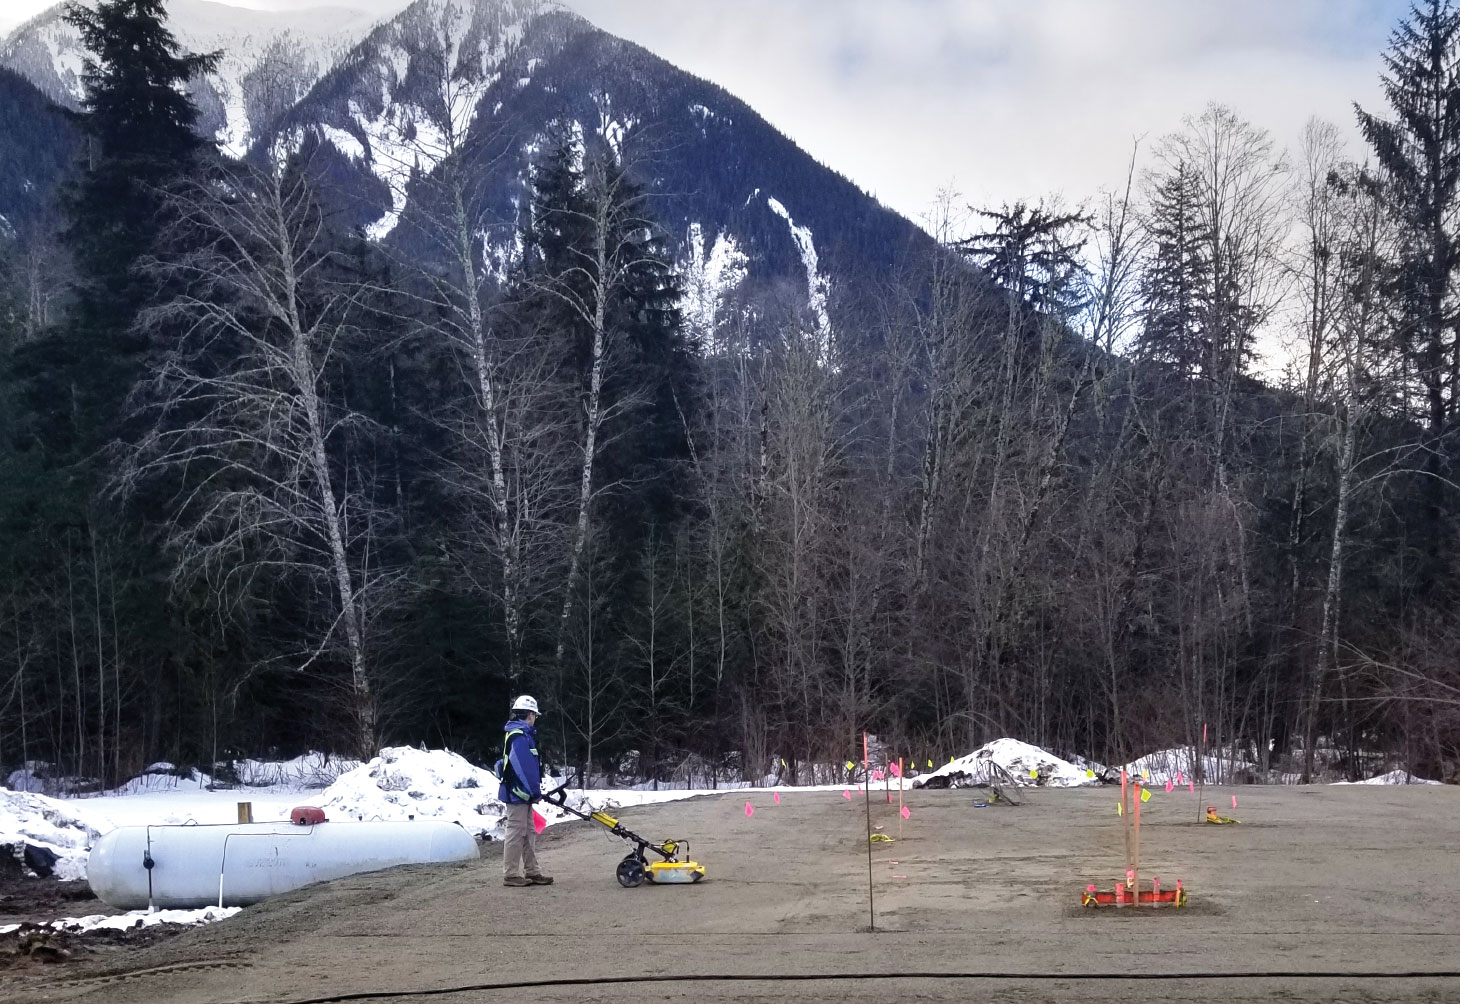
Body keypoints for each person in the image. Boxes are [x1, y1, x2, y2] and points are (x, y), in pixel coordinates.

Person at [497, 694, 553, 887]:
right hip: (517, 793)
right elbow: (523, 768)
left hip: (523, 793)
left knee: (529, 831)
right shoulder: (519, 737)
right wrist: (533, 791)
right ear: (530, 714)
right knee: (515, 831)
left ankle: (532, 871)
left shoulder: (522, 735)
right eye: (535, 715)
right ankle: (511, 874)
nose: (535, 718)